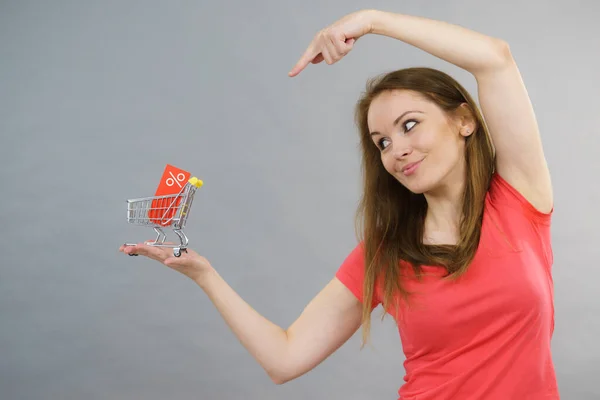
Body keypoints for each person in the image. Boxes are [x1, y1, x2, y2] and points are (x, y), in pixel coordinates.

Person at [120, 9, 558, 399]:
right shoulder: (385, 253)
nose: (397, 150)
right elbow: (285, 358)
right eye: (382, 142)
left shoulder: (518, 200)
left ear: (464, 120)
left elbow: (495, 58)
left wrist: (372, 21)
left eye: (410, 125)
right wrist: (203, 273)